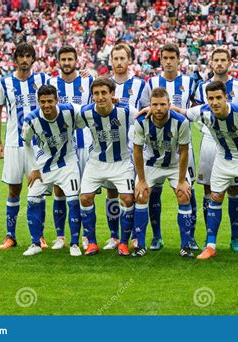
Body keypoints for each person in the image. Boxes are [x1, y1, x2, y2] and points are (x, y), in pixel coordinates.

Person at [172, 81, 238, 262]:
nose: (215, 102)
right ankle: (211, 246)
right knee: (215, 198)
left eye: (219, 98)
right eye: (211, 98)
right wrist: (154, 108)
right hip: (223, 160)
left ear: (226, 97)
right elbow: (182, 112)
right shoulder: (203, 111)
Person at [140, 43, 198, 251]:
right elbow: (144, 108)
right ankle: (156, 237)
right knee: (153, 192)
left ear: (178, 59)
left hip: (182, 147)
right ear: (161, 59)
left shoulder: (190, 82)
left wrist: (176, 110)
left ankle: (190, 237)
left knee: (188, 191)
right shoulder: (151, 82)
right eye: (165, 58)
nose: (168, 61)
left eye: (172, 57)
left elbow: (197, 108)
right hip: (156, 148)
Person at [0, 43, 48, 250]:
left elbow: (62, 83)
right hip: (14, 145)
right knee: (14, 189)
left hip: (37, 145)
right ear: (15, 59)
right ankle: (10, 236)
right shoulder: (5, 82)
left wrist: (84, 72)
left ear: (33, 59)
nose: (24, 60)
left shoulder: (42, 79)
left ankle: (40, 236)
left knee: (38, 191)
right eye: (21, 56)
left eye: (28, 56)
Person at [195, 48, 238, 252]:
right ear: (210, 63)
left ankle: (235, 238)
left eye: (222, 60)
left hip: (235, 144)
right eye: (215, 60)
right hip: (210, 142)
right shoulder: (201, 87)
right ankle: (210, 239)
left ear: (230, 62)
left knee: (234, 190)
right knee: (209, 190)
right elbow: (196, 112)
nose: (219, 63)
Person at [77, 77, 137, 256]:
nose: (100, 97)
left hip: (122, 162)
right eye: (96, 93)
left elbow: (145, 115)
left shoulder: (126, 111)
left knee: (127, 199)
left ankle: (124, 243)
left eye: (104, 93)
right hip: (96, 162)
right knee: (85, 198)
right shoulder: (86, 112)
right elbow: (66, 116)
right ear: (92, 96)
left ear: (112, 94)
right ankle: (92, 243)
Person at [20, 85, 82, 257]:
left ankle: (75, 244)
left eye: (50, 101)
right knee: (32, 198)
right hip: (43, 165)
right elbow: (25, 142)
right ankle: (36, 242)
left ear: (57, 100)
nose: (46, 105)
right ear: (38, 102)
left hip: (68, 163)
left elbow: (88, 112)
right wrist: (33, 168)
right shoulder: (31, 119)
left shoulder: (69, 110)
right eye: (42, 102)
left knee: (73, 200)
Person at [133, 87, 193, 258]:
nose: (158, 108)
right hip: (151, 164)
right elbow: (137, 151)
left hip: (174, 165)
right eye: (154, 105)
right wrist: (142, 180)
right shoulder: (141, 122)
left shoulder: (181, 122)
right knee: (142, 194)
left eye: (162, 104)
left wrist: (182, 181)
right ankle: (140, 245)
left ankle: (185, 245)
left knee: (184, 194)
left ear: (169, 105)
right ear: (149, 106)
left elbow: (184, 152)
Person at [47, 45, 94, 250]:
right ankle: (60, 237)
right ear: (58, 61)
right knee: (59, 189)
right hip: (60, 147)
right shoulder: (50, 83)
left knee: (85, 192)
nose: (66, 63)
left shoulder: (88, 80)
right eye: (63, 59)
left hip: (85, 144)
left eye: (70, 59)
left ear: (77, 61)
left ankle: (85, 236)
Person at [101, 43, 146, 251]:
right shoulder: (103, 84)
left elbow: (146, 111)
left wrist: (123, 105)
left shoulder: (140, 85)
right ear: (111, 61)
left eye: (122, 58)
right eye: (115, 59)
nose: (119, 63)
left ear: (129, 61)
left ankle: (136, 235)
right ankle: (113, 236)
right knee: (112, 193)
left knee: (133, 194)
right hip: (111, 148)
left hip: (134, 146)